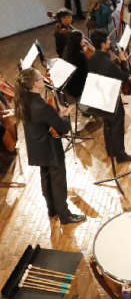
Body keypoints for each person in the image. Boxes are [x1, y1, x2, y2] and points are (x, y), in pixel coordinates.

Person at [14, 68, 85, 224]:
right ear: (35, 83)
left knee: (46, 179)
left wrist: (55, 117)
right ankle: (65, 216)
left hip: (36, 148)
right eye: (40, 78)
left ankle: (52, 210)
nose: (43, 80)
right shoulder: (42, 106)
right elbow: (64, 128)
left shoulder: (24, 101)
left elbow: (41, 121)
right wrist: (65, 117)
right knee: (58, 183)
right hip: (50, 149)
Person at [89, 29, 131, 164]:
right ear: (103, 44)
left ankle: (110, 150)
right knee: (117, 125)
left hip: (100, 96)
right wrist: (123, 62)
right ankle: (121, 155)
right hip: (111, 97)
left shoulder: (93, 57)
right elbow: (123, 77)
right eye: (108, 40)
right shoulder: (108, 63)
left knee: (108, 124)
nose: (110, 42)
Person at [63, 30, 89, 99]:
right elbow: (86, 72)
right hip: (80, 87)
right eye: (83, 38)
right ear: (78, 41)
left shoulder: (67, 51)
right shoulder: (80, 55)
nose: (84, 40)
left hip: (71, 85)